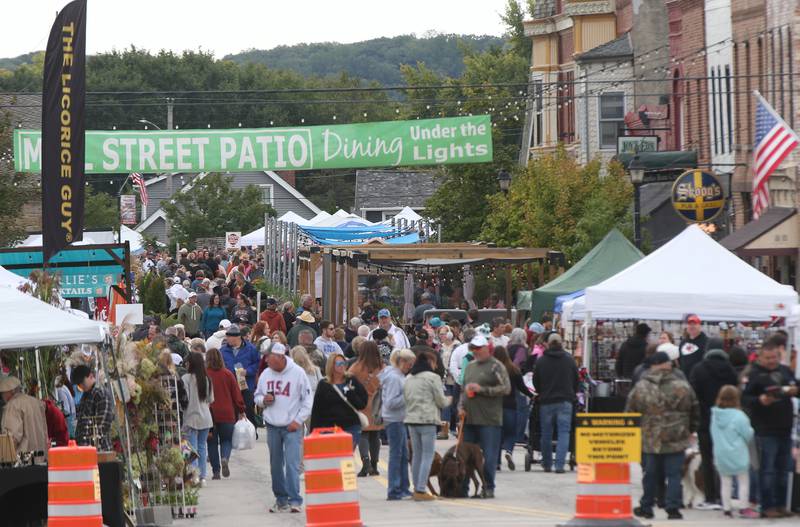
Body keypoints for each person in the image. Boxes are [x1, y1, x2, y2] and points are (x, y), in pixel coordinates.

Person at [627, 351, 699, 521]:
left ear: (652, 366)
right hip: (676, 437)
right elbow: (695, 409)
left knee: (650, 473)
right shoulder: (682, 386)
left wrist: (637, 432)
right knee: (674, 474)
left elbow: (630, 411)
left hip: (650, 438)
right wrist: (689, 430)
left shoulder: (642, 386)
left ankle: (647, 506)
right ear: (668, 364)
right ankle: (673, 508)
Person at [742, 337, 798, 518]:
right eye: (768, 358)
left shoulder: (785, 371)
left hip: (785, 427)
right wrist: (759, 400)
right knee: (767, 470)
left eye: (774, 357)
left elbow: (795, 385)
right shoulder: (754, 374)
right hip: (765, 429)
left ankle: (781, 504)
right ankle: (767, 506)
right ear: (760, 358)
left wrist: (795, 390)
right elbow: (745, 398)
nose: (771, 361)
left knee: (784, 470)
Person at [254, 343, 313, 514]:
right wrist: (263, 400)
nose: (266, 360)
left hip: (292, 426)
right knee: (275, 465)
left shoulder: (298, 373)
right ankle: (280, 499)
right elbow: (257, 396)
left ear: (280, 357)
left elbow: (307, 400)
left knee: (292, 464)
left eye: (269, 357)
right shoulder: (266, 374)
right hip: (272, 425)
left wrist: (299, 420)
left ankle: (295, 499)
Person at [688, 337, 738, 510]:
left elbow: (692, 397)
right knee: (724, 460)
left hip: (705, 421)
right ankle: (725, 497)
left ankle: (710, 497)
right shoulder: (730, 371)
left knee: (707, 460)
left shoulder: (698, 369)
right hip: (726, 422)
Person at [458, 334, 511, 499]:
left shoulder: (496, 366)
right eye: (473, 349)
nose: (475, 352)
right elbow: (463, 389)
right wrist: (460, 407)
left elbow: (506, 388)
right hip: (470, 418)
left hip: (489, 419)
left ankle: (488, 487)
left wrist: (483, 390)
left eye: (478, 349)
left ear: (487, 348)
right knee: (466, 456)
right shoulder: (470, 366)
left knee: (489, 456)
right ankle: (464, 487)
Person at [404, 350, 449, 501]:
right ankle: (421, 489)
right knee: (427, 455)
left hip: (411, 419)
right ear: (430, 363)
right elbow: (441, 401)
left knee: (416, 455)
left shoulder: (409, 378)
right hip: (428, 420)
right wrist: (450, 400)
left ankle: (416, 488)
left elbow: (405, 398)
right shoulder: (433, 378)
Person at [710, 385, 759, 519]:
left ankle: (726, 509)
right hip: (738, 453)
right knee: (743, 481)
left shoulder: (715, 416)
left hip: (720, 453)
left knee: (725, 482)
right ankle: (743, 508)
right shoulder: (739, 416)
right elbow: (748, 434)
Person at [532, 333, 578, 474]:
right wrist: (572, 392)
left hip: (546, 401)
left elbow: (536, 381)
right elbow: (576, 380)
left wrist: (541, 391)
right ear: (561, 343)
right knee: (564, 433)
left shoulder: (541, 361)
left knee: (546, 433)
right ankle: (559, 465)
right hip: (565, 400)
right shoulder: (569, 360)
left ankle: (546, 464)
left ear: (549, 344)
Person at [310, 353, 368, 450]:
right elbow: (317, 410)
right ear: (331, 366)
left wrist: (350, 393)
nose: (342, 366)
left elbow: (362, 404)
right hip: (329, 428)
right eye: (338, 363)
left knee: (346, 458)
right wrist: (313, 432)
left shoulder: (351, 380)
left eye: (343, 363)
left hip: (351, 426)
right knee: (333, 458)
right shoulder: (323, 384)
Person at [379, 348, 416, 501]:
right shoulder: (395, 377)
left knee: (402, 455)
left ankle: (403, 487)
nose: (410, 367)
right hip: (394, 419)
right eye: (409, 364)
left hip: (398, 418)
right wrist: (408, 396)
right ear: (401, 362)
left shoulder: (396, 375)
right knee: (397, 455)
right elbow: (391, 402)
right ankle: (394, 489)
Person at [206, 347, 245, 480]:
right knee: (226, 440)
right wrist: (241, 409)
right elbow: (236, 394)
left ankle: (216, 471)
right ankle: (225, 458)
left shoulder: (205, 375)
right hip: (227, 412)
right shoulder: (228, 374)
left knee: (211, 442)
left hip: (209, 413)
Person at [348, 341, 385, 477]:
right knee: (375, 435)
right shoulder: (381, 367)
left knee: (363, 434)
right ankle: (375, 466)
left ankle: (365, 463)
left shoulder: (356, 367)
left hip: (361, 404)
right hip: (377, 405)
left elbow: (348, 383)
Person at [493, 346, 533, 471]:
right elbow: (522, 387)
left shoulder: (492, 370)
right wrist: (532, 395)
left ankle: (497, 462)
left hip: (496, 407)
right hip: (510, 406)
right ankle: (509, 451)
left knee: (497, 435)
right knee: (511, 433)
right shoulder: (514, 369)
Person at [220, 324, 260, 431]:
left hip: (246, 385)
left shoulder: (251, 348)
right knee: (232, 409)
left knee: (248, 408)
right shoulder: (223, 350)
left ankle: (251, 431)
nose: (227, 339)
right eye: (227, 336)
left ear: (238, 337)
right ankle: (233, 431)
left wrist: (248, 371)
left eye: (229, 337)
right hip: (229, 386)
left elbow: (257, 363)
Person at [182, 352, 214, 486]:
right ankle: (202, 477)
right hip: (206, 417)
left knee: (192, 449)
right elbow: (211, 399)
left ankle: (194, 476)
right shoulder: (206, 379)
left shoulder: (186, 378)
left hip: (191, 417)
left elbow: (185, 399)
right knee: (202, 448)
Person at [0, 376, 48, 456]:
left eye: (3, 393)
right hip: (41, 456)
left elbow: (11, 438)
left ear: (10, 391)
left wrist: (5, 457)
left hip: (23, 460)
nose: (2, 396)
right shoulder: (36, 402)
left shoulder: (12, 406)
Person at [71, 365, 115, 451]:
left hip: (99, 449)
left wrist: (89, 445)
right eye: (79, 385)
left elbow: (103, 423)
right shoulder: (86, 394)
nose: (81, 387)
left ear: (91, 376)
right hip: (85, 450)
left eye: (82, 383)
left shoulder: (100, 392)